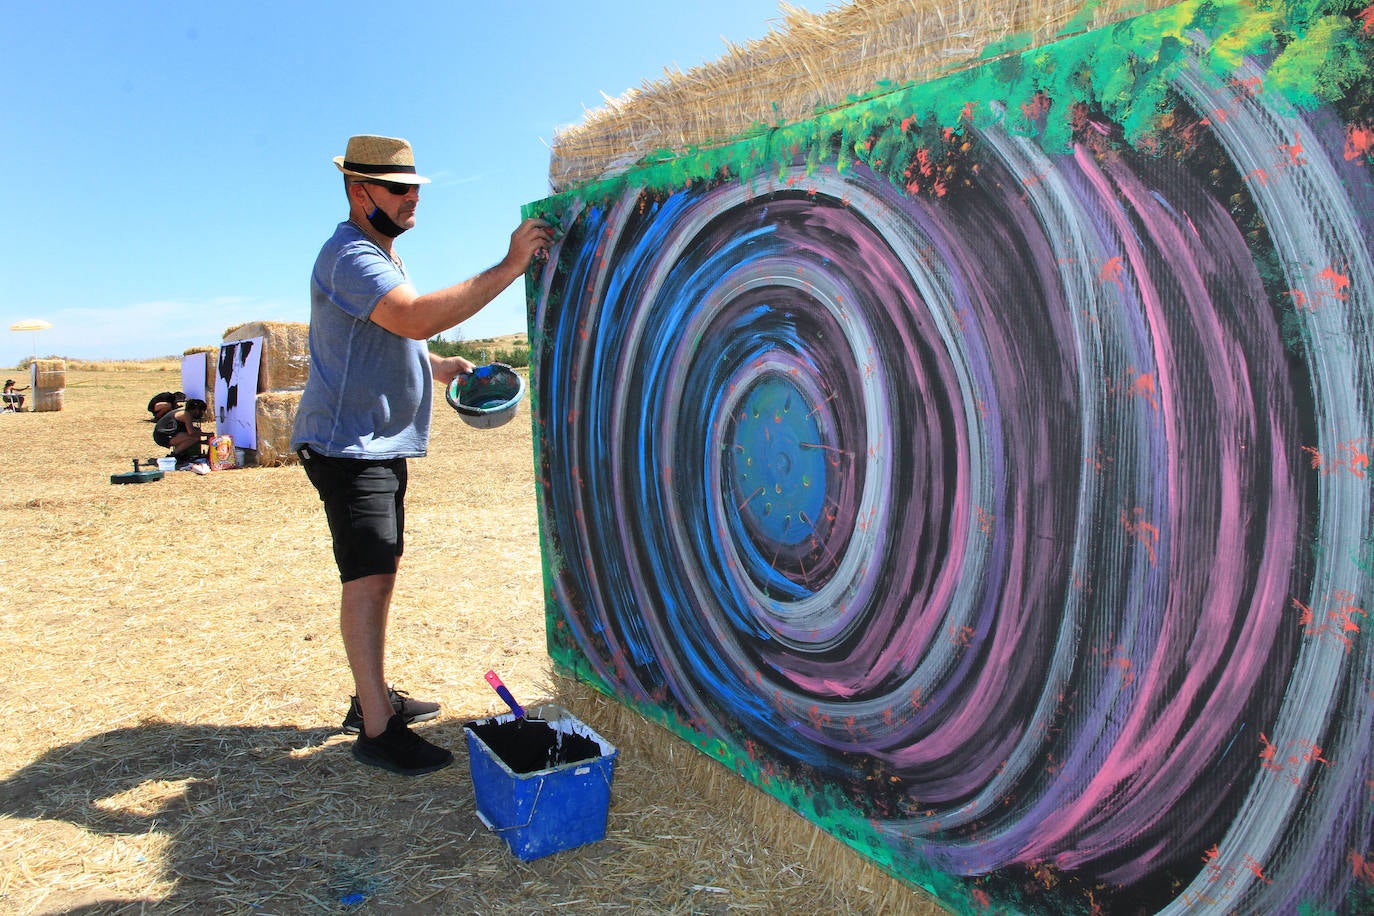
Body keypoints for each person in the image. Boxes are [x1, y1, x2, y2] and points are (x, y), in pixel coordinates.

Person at [291, 135, 552, 776]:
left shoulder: (377, 252)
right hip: (350, 446)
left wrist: (436, 368)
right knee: (369, 575)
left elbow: (385, 336)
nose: (414, 200)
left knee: (379, 568)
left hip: (369, 441)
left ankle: (372, 696)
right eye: (401, 189)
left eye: (416, 188)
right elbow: (410, 318)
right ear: (361, 192)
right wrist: (510, 265)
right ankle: (377, 730)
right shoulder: (352, 255)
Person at [153, 398, 212, 463]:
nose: (201, 414)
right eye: (201, 411)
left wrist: (203, 441)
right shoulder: (186, 415)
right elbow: (191, 433)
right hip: (162, 436)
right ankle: (175, 455)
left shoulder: (184, 411)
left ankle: (183, 453)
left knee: (196, 433)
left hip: (164, 433)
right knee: (194, 437)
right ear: (196, 410)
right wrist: (207, 434)